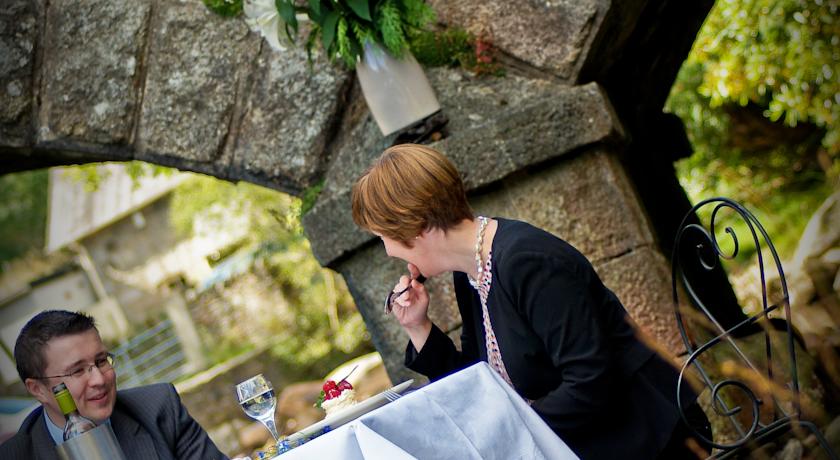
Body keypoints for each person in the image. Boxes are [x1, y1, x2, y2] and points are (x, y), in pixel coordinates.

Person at [351, 144, 712, 459]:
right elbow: (481, 388)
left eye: (384, 236)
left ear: (418, 227)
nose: (387, 249)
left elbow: (590, 380)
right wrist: (419, 328)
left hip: (644, 439)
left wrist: (509, 441)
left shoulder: (528, 261)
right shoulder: (471, 273)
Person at [0, 309, 228, 460]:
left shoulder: (158, 406)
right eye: (77, 371)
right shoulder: (16, 456)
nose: (99, 379)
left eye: (101, 361)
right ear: (38, 389)